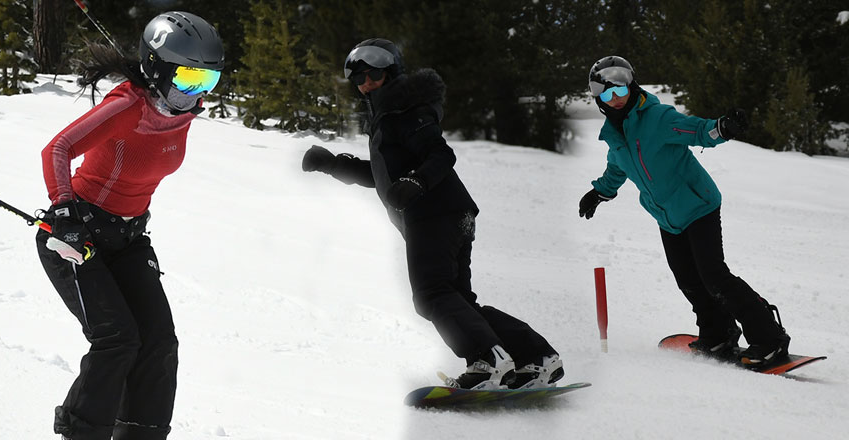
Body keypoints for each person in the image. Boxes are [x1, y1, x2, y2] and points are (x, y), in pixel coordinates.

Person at [301, 38, 562, 390]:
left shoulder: (405, 109)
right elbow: (383, 179)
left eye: (374, 74)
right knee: (458, 301)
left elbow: (440, 154)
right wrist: (331, 164)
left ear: (391, 72)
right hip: (450, 213)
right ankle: (536, 357)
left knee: (431, 295)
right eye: (358, 78)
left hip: (434, 213)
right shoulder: (387, 116)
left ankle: (487, 360)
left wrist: (416, 182)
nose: (365, 83)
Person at [36, 11, 223, 440]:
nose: (197, 95)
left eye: (208, 83)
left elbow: (166, 112)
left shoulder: (178, 108)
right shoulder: (125, 106)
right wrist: (64, 212)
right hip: (75, 235)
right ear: (159, 70)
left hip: (129, 238)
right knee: (117, 339)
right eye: (190, 80)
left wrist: (172, 86)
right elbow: (57, 149)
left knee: (159, 343)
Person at [579, 55, 791, 368]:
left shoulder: (658, 118)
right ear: (599, 100)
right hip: (667, 217)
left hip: (697, 205)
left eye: (621, 89)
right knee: (688, 279)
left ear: (631, 85)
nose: (616, 98)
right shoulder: (615, 134)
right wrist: (601, 191)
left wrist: (723, 127)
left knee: (714, 276)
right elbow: (618, 166)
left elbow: (699, 131)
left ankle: (769, 338)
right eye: (607, 95)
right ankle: (717, 333)